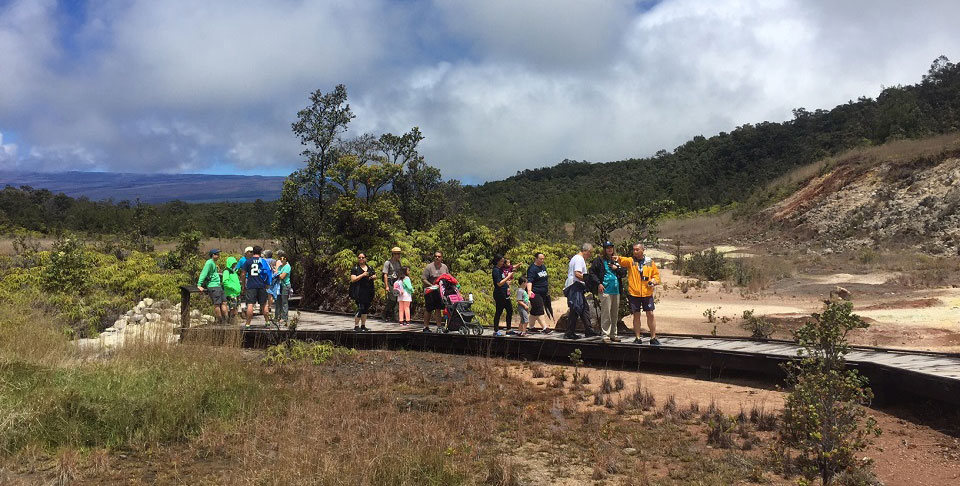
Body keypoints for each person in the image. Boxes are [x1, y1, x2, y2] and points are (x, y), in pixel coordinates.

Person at [616, 243, 662, 345]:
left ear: (642, 250)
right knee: (636, 315)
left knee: (650, 314)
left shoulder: (649, 262)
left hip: (647, 293)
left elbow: (656, 276)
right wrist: (616, 257)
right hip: (634, 293)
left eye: (637, 250)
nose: (635, 251)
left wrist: (653, 281)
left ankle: (653, 337)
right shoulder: (631, 261)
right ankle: (637, 337)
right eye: (634, 250)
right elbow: (622, 260)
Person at [589, 241, 624, 343]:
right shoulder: (599, 260)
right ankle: (605, 335)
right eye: (607, 248)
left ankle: (614, 334)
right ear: (604, 249)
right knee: (606, 314)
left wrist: (616, 268)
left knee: (614, 313)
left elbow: (623, 273)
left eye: (611, 247)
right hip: (605, 290)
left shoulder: (615, 260)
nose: (609, 249)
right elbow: (592, 272)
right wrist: (598, 283)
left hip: (616, 290)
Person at [563, 243, 599, 340]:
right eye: (590, 253)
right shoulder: (579, 259)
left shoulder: (576, 258)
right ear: (586, 251)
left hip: (577, 285)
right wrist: (588, 280)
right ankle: (569, 332)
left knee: (584, 309)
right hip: (575, 285)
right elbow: (577, 274)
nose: (590, 255)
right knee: (576, 308)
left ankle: (589, 330)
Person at [242, 246, 272, 327]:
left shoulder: (248, 262)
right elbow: (268, 272)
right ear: (260, 252)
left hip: (251, 285)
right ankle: (267, 322)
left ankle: (248, 323)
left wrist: (243, 285)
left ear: (252, 252)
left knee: (250, 304)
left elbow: (243, 274)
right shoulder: (263, 261)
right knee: (264, 304)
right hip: (262, 285)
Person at [525, 252, 554, 333]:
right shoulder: (532, 269)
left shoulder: (543, 267)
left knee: (534, 310)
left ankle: (531, 327)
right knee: (539, 309)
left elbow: (544, 279)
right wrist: (529, 291)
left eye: (543, 259)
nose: (542, 260)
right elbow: (529, 280)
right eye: (540, 259)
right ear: (536, 259)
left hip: (543, 292)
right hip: (535, 292)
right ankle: (545, 328)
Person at [197, 249, 228, 324]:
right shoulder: (209, 263)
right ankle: (220, 321)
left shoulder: (214, 263)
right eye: (216, 254)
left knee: (224, 302)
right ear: (212, 255)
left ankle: (226, 321)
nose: (218, 256)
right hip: (212, 286)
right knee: (217, 304)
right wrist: (199, 284)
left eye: (218, 254)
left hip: (218, 285)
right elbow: (203, 273)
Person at [421, 250, 449, 332]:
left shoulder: (444, 267)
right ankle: (425, 327)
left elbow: (448, 277)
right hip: (429, 290)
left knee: (438, 308)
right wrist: (431, 286)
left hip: (440, 291)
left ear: (441, 258)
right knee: (428, 309)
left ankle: (439, 327)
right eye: (436, 256)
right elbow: (423, 279)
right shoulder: (429, 267)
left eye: (439, 256)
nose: (437, 258)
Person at [349, 252, 376, 332]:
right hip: (359, 291)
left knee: (366, 309)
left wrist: (373, 277)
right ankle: (356, 326)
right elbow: (353, 279)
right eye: (359, 257)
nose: (361, 259)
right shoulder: (355, 268)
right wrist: (362, 275)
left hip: (368, 291)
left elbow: (374, 275)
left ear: (365, 258)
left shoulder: (370, 267)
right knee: (360, 308)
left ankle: (363, 326)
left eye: (363, 257)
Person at [491, 254, 514, 336]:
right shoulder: (495, 270)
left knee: (510, 310)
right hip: (499, 294)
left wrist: (508, 282)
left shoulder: (500, 269)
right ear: (497, 261)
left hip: (505, 293)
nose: (503, 262)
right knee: (499, 311)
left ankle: (508, 329)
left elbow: (503, 281)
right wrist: (508, 277)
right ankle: (496, 330)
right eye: (501, 261)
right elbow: (499, 283)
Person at [382, 247, 403, 322]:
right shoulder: (387, 263)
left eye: (399, 254)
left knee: (397, 299)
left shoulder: (398, 262)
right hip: (390, 281)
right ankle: (384, 313)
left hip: (396, 282)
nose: (398, 255)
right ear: (393, 254)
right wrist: (386, 286)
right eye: (397, 254)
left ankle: (395, 316)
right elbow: (385, 274)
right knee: (392, 299)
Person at [222, 255, 242, 324]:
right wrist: (232, 287)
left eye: (235, 264)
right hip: (231, 293)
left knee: (235, 307)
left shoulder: (234, 272)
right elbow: (225, 282)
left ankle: (233, 320)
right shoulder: (226, 272)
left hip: (236, 293)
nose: (234, 265)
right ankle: (230, 321)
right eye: (233, 264)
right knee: (232, 307)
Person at [274, 250, 291, 325]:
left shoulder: (287, 267)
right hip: (279, 286)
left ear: (286, 259)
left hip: (285, 286)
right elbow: (277, 273)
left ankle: (284, 318)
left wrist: (277, 274)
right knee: (278, 301)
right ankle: (277, 316)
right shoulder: (281, 266)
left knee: (284, 302)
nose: (281, 260)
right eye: (280, 259)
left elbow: (281, 276)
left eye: (283, 259)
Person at [263, 249, 276, 315]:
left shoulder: (264, 261)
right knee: (270, 293)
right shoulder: (274, 261)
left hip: (266, 278)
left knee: (264, 293)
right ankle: (270, 306)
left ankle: (264, 306)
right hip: (273, 277)